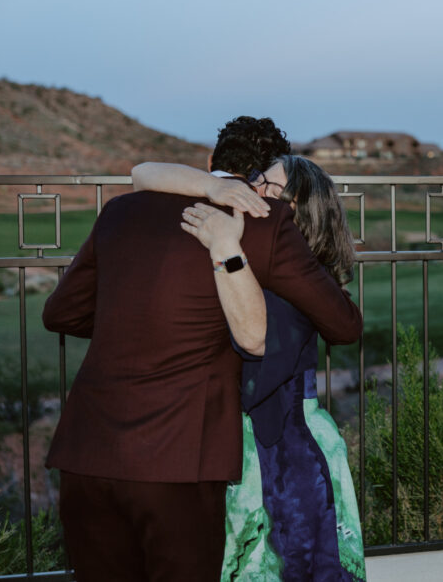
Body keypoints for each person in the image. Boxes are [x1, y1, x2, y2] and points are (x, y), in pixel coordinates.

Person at [42, 117, 363, 582]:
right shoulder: (264, 222)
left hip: (86, 455)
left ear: (212, 164)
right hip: (179, 465)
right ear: (258, 179)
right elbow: (343, 324)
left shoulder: (121, 211)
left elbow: (61, 314)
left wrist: (137, 319)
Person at [134, 155, 365, 581]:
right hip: (245, 449)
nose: (254, 191)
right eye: (257, 179)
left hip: (287, 458)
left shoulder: (296, 285)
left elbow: (260, 363)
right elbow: (142, 173)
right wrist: (213, 187)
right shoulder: (240, 241)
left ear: (300, 213)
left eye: (270, 189)